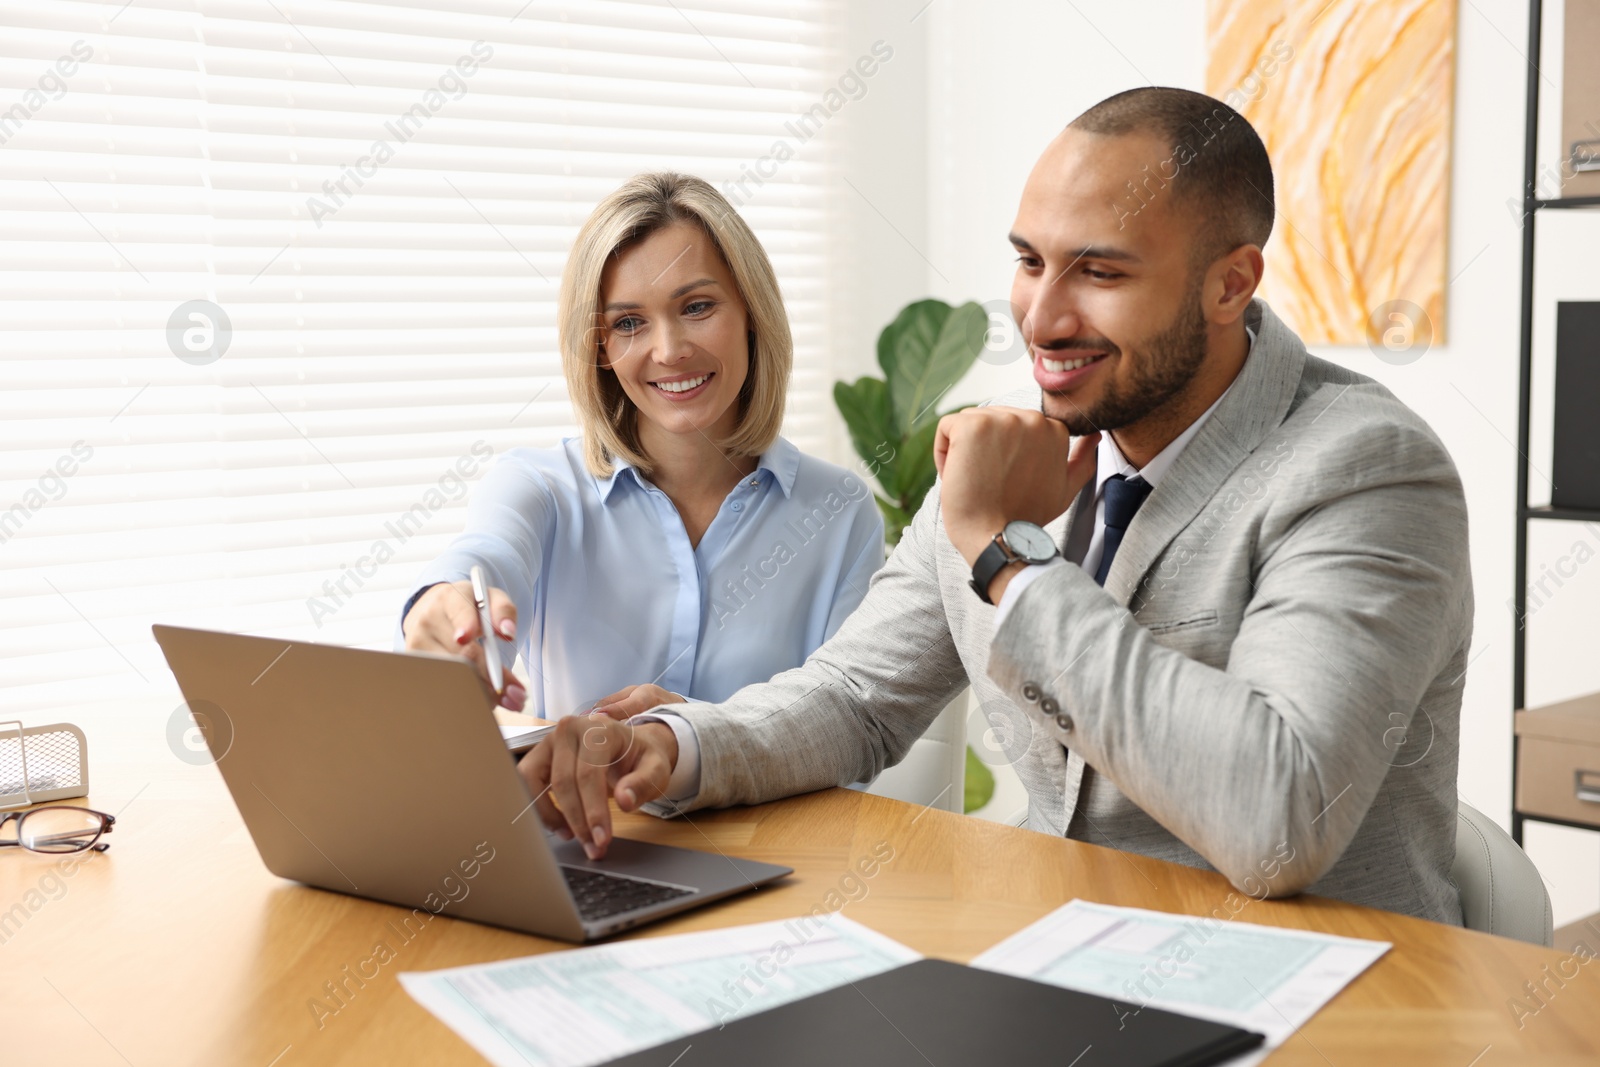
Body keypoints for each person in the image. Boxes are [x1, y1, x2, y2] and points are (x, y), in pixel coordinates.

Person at [517, 88, 1473, 925]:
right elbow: (854, 699)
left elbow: (1279, 822)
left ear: (1231, 284)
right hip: (1062, 956)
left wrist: (1007, 556)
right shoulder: (1020, 450)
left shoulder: (1365, 472)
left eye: (1100, 273)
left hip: (1326, 995)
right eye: (1029, 261)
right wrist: (668, 747)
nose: (1043, 318)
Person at [398, 172, 884, 734]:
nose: (670, 350)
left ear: (751, 313)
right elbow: (484, 558)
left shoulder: (839, 512)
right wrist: (442, 610)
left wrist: (697, 740)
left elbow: (845, 731)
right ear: (599, 347)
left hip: (772, 826)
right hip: (577, 824)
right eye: (628, 322)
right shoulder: (539, 489)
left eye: (698, 306)